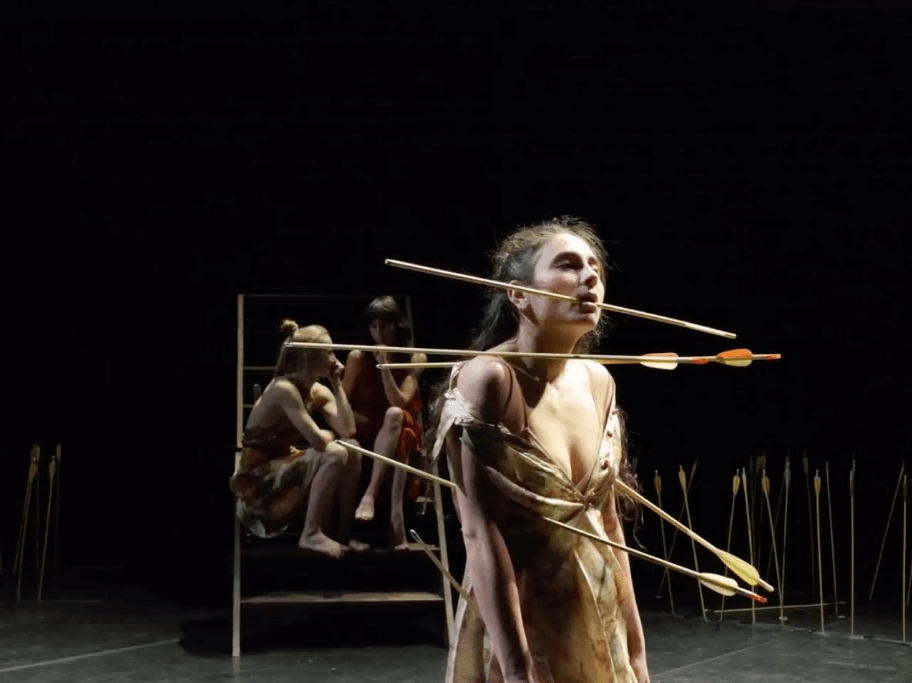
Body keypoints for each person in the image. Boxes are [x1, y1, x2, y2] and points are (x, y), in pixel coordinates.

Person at [428, 218, 649, 683]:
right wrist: (516, 667)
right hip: (522, 622)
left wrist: (635, 652)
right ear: (518, 294)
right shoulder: (491, 379)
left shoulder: (599, 381)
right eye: (568, 265)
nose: (589, 278)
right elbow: (480, 532)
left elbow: (608, 526)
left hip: (596, 615)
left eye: (595, 268)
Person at [230, 320, 365, 559]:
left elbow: (349, 430)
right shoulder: (284, 389)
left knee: (352, 448)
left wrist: (336, 383)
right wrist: (329, 435)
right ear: (308, 358)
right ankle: (310, 533)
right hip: (259, 479)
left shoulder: (317, 391)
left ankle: (343, 533)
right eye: (328, 353)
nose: (334, 359)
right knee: (335, 452)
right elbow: (318, 442)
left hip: (283, 463)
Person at [342, 296, 426, 549]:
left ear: (397, 325)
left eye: (386, 325)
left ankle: (373, 496)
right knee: (393, 427)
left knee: (395, 417)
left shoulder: (415, 357)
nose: (379, 333)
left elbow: (399, 402)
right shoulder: (357, 357)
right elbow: (342, 404)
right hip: (367, 425)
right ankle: (393, 524)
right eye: (374, 326)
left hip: (398, 423)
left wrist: (385, 367)